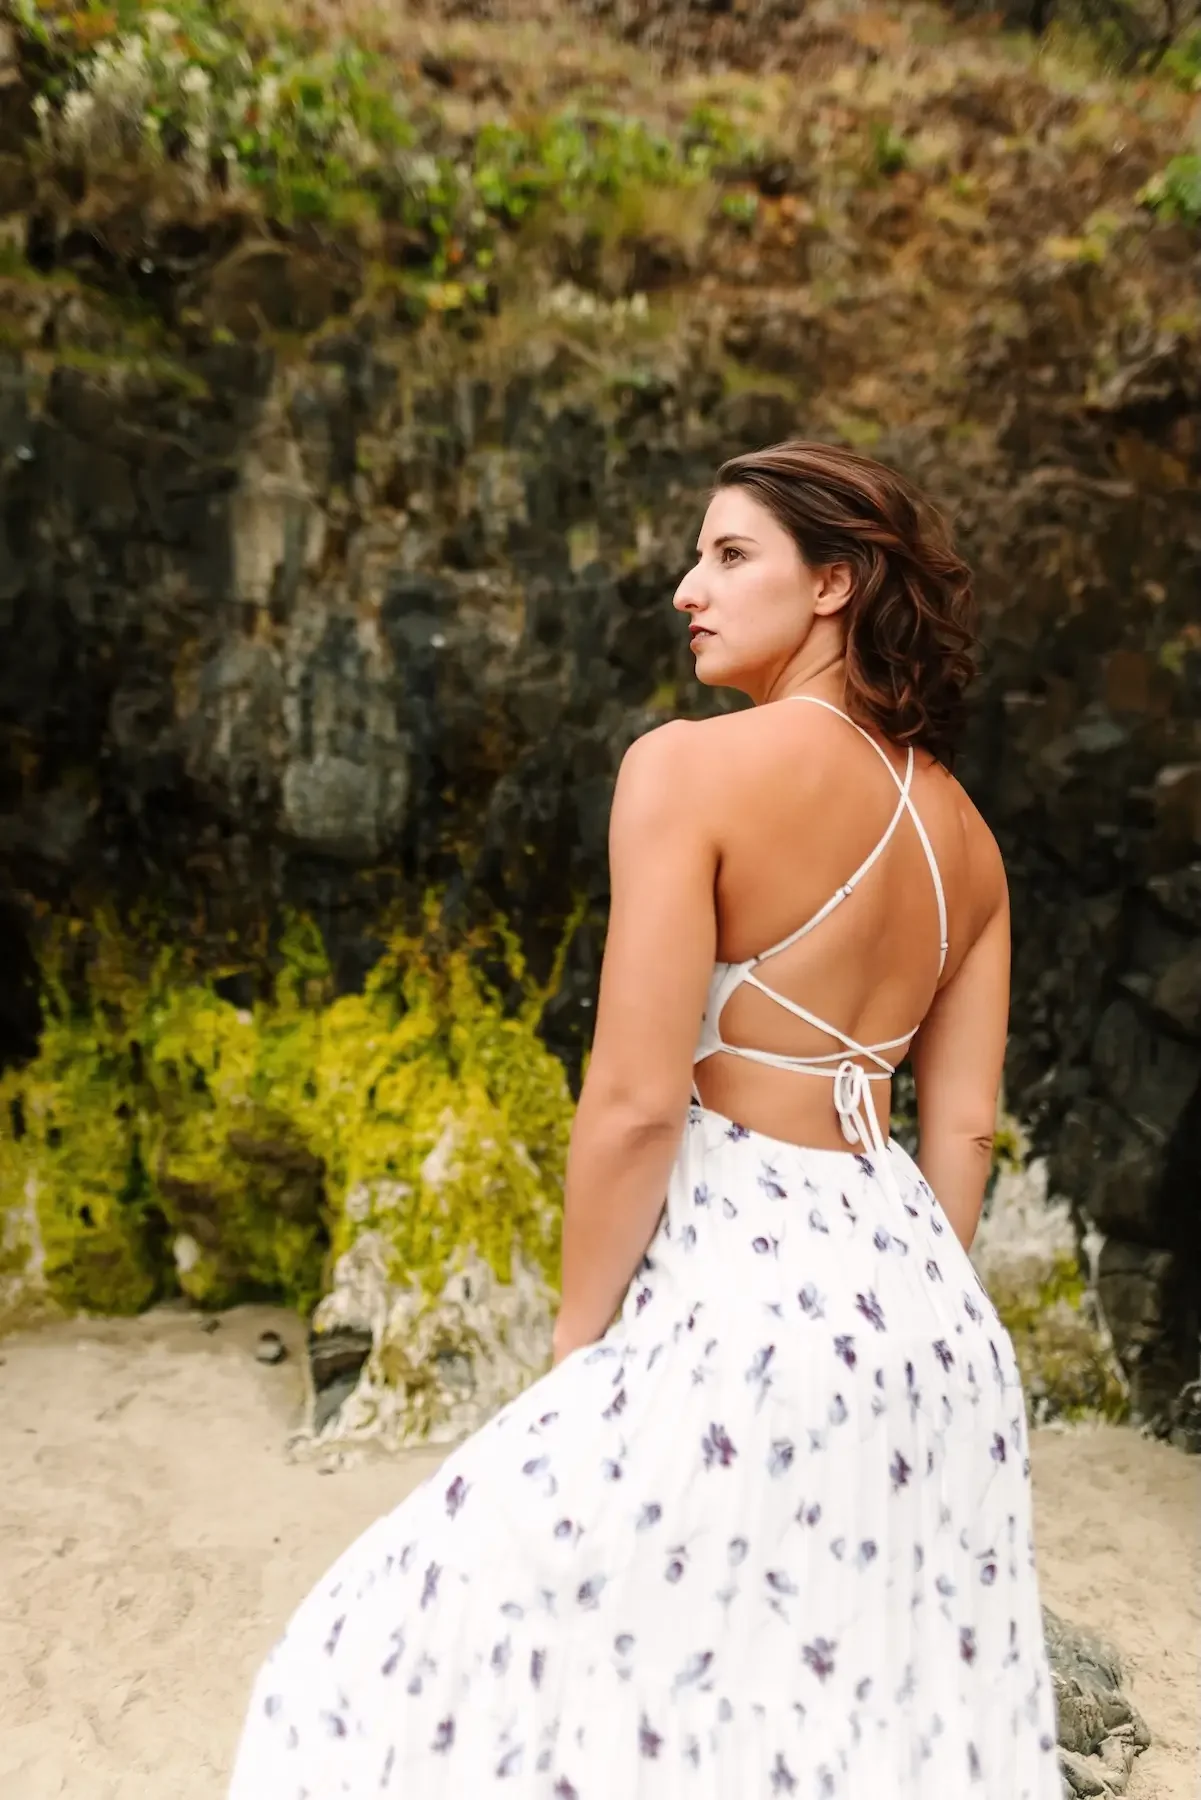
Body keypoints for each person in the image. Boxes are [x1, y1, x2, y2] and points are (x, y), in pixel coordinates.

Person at [227, 440, 1062, 1799]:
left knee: (383, 1653)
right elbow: (959, 1132)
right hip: (930, 1332)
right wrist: (906, 1324)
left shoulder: (686, 769)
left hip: (743, 1298)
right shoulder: (968, 838)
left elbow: (631, 1102)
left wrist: (575, 1341)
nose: (689, 586)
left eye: (732, 555)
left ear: (837, 583)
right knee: (854, 1727)